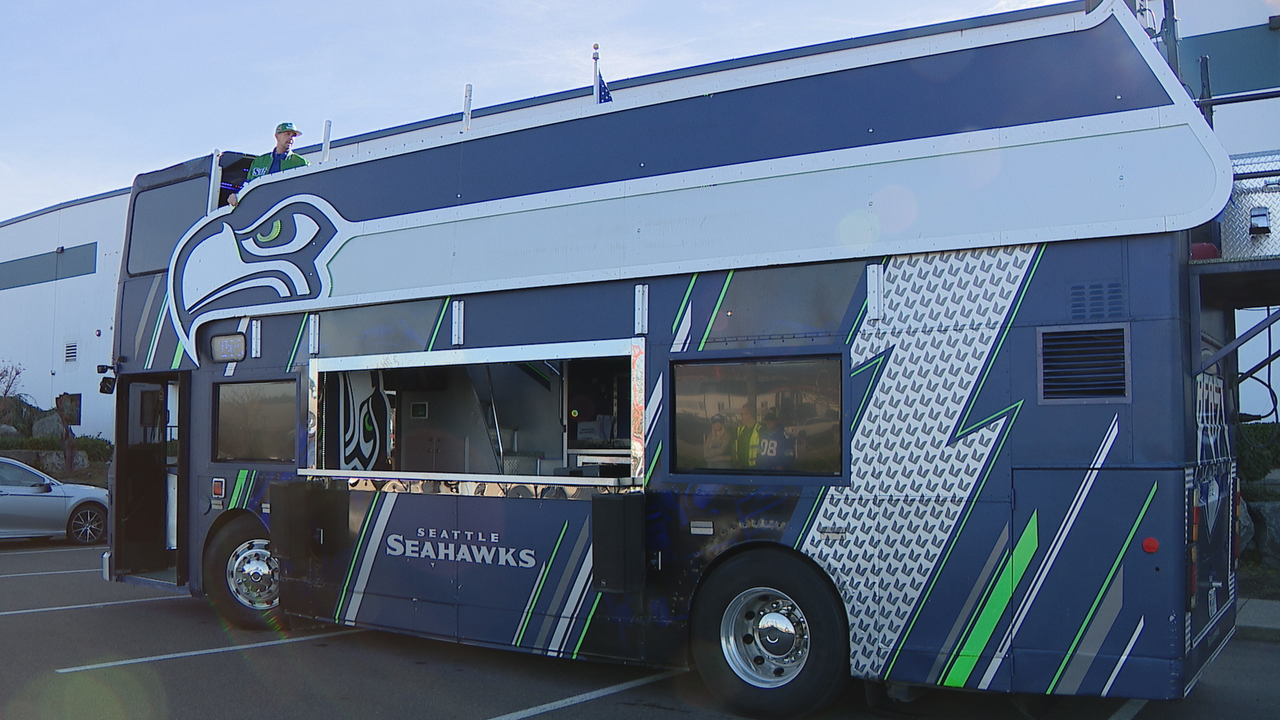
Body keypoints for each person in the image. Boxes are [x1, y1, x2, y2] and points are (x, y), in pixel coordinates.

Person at [228, 122, 309, 206]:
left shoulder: (301, 163)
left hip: (285, 208)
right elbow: (247, 186)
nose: (291, 138)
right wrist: (236, 196)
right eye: (287, 134)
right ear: (277, 136)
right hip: (260, 208)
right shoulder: (259, 161)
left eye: (293, 135)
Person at [734, 404, 762, 469]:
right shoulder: (740, 430)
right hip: (741, 466)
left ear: (750, 415)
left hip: (754, 467)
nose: (741, 417)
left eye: (742, 414)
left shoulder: (760, 430)